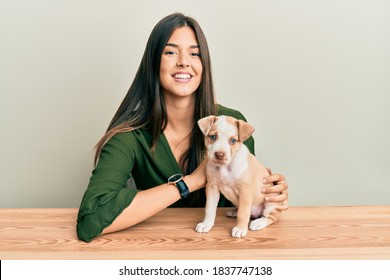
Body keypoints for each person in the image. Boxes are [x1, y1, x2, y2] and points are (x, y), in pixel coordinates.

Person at [77, 13, 288, 242]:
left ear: (203, 64)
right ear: (153, 62)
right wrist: (192, 181)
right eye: (170, 52)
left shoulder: (234, 123)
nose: (184, 61)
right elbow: (91, 220)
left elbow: (249, 192)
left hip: (227, 249)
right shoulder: (129, 136)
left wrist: (273, 193)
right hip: (159, 245)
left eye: (194, 53)